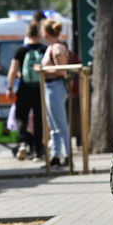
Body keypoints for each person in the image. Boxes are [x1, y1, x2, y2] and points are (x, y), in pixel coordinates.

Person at [7, 22, 46, 161]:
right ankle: (38, 150)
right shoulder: (44, 50)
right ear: (39, 34)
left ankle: (23, 143)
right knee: (39, 119)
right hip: (39, 89)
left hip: (24, 88)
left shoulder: (20, 50)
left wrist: (10, 88)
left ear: (27, 34)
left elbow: (12, 70)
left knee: (21, 116)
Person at [41, 18, 71, 169]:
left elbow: (63, 70)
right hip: (49, 87)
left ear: (46, 33)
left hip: (56, 86)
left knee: (60, 123)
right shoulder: (51, 47)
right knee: (53, 124)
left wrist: (42, 70)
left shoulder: (57, 48)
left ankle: (67, 156)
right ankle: (55, 156)